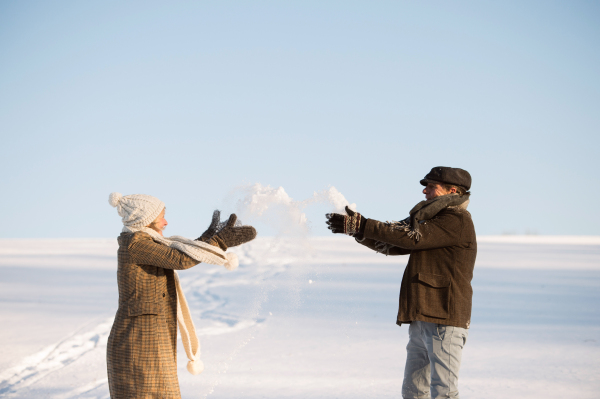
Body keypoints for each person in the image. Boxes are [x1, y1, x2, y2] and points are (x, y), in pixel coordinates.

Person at [325, 167, 476, 399]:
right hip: (422, 316)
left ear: (452, 191)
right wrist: (358, 232)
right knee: (413, 392)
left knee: (444, 393)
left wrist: (364, 224)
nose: (424, 190)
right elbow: (397, 242)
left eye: (431, 186)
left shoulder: (456, 219)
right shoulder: (431, 219)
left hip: (444, 318)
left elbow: (411, 238)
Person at [106, 192, 256, 399]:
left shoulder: (145, 241)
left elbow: (178, 253)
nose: (166, 222)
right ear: (145, 220)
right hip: (139, 341)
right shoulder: (136, 244)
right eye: (161, 217)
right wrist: (218, 242)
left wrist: (207, 239)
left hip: (148, 336)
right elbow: (179, 259)